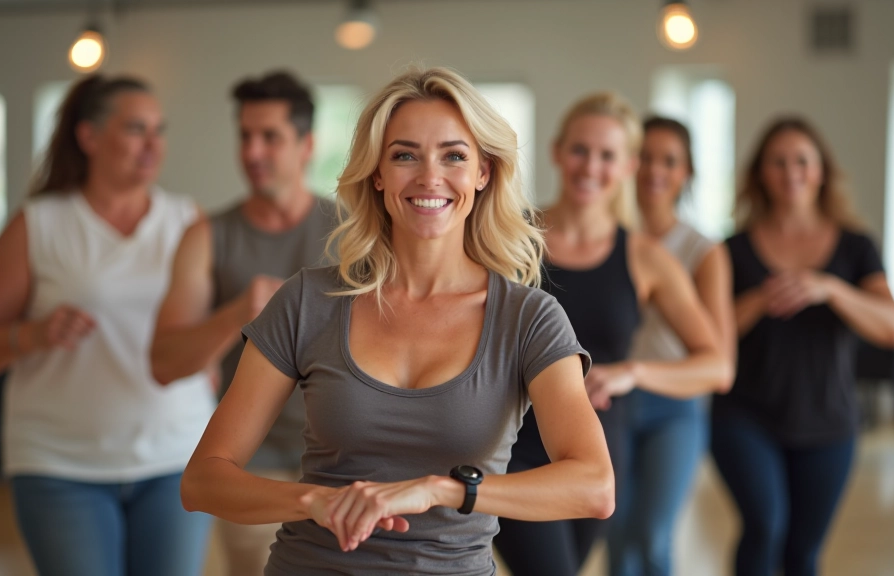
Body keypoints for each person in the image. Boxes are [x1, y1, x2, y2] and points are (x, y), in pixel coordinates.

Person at [180, 67, 615, 576]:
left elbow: (594, 487)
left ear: (483, 173)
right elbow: (203, 480)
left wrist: (441, 490)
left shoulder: (529, 318)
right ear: (378, 173)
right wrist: (315, 501)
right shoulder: (309, 300)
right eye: (405, 154)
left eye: (454, 155)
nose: (430, 177)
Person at [0, 75, 213, 576]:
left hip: (175, 457)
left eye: (160, 129)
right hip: (61, 466)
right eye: (136, 128)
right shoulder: (39, 224)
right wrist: (32, 334)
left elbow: (197, 327)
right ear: (89, 137)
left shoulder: (188, 220)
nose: (154, 144)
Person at [492, 94, 731, 576]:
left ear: (628, 165)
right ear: (557, 152)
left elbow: (718, 366)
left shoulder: (645, 258)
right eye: (580, 150)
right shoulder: (508, 239)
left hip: (597, 449)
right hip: (513, 442)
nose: (590, 167)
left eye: (607, 156)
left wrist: (632, 372)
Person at [149, 70, 334, 575]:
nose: (253, 152)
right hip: (255, 465)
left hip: (348, 459)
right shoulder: (207, 235)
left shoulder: (355, 232)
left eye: (270, 136)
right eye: (245, 135)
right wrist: (238, 312)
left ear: (307, 144)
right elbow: (164, 363)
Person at [712, 117, 894, 576]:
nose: (790, 172)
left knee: (803, 552)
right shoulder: (732, 249)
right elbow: (711, 336)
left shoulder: (856, 247)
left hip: (829, 421)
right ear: (761, 173)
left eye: (802, 160)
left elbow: (893, 328)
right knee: (765, 527)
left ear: (821, 171)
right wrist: (761, 299)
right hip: (745, 417)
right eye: (777, 162)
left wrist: (831, 289)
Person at [604, 116, 735, 576]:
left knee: (653, 536)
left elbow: (722, 365)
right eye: (647, 158)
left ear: (687, 173)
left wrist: (639, 372)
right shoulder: (604, 239)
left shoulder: (703, 251)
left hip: (675, 410)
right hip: (607, 405)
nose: (655, 171)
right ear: (629, 164)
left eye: (670, 161)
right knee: (616, 539)